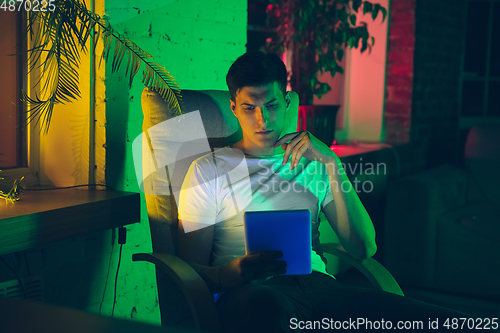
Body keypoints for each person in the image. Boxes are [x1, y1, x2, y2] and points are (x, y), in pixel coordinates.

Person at [177, 52, 473, 332]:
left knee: (444, 322)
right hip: (250, 293)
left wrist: (332, 163)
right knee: (267, 309)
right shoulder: (208, 170)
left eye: (271, 105)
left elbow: (363, 248)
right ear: (233, 107)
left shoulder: (316, 164)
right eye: (249, 108)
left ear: (287, 101)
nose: (262, 120)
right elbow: (189, 267)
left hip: (320, 290)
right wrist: (230, 274)